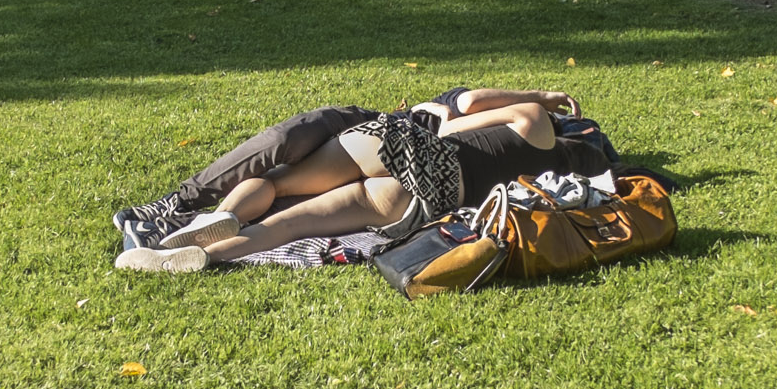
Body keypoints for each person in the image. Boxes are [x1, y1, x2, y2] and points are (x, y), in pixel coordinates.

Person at [114, 89, 611, 273]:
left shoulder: (533, 122)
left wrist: (543, 96)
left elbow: (459, 115)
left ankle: (225, 215)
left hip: (411, 148)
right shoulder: (547, 182)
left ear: (566, 134)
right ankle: (203, 256)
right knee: (290, 226)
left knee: (281, 182)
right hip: (429, 201)